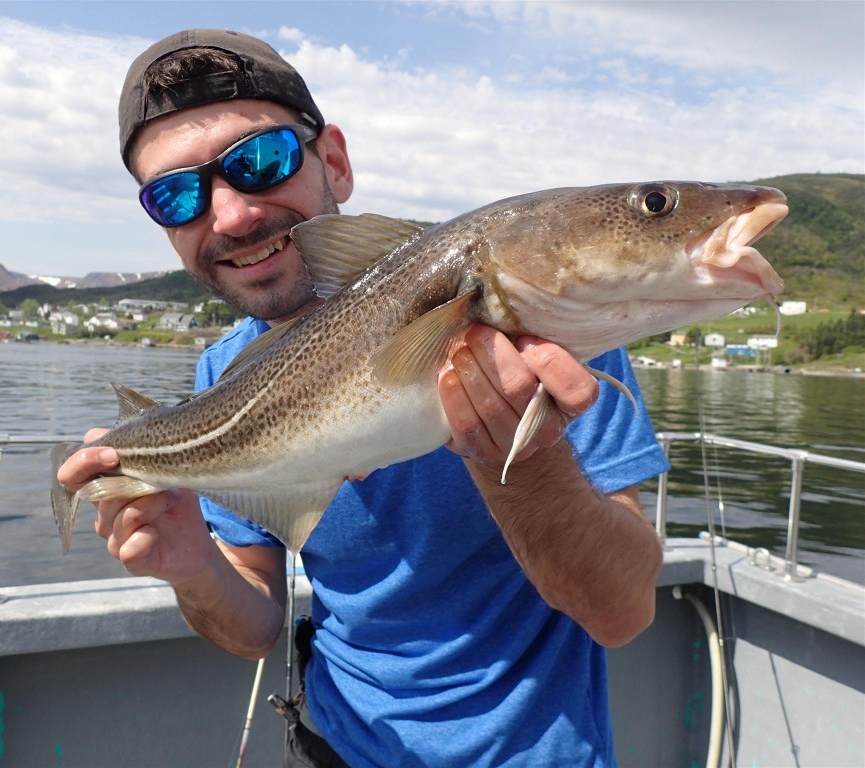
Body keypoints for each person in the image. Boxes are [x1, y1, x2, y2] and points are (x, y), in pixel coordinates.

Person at [57, 29, 668, 767]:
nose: (231, 215)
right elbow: (254, 623)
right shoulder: (226, 377)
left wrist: (527, 460)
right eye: (175, 195)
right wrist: (191, 564)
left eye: (260, 161)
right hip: (335, 747)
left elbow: (622, 612)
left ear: (335, 163)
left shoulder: (554, 331)